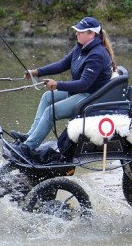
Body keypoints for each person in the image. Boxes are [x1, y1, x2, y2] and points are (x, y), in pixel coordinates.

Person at [11, 16, 116, 158]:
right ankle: (30, 136)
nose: (76, 33)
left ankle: (28, 148)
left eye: (80, 31)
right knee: (47, 97)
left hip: (90, 97)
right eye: (77, 30)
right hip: (79, 92)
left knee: (51, 112)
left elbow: (84, 84)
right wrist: (37, 72)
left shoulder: (97, 55)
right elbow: (62, 65)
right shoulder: (80, 47)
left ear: (91, 34)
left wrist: (58, 85)